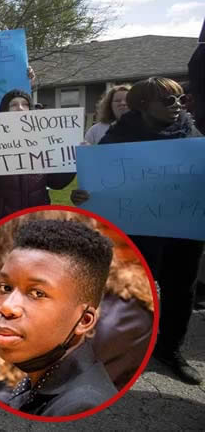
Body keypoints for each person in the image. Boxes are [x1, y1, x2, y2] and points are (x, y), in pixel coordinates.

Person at [72, 77, 203, 385]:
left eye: (182, 99)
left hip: (183, 231)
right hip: (137, 231)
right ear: (144, 105)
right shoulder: (117, 139)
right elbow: (98, 187)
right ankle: (117, 348)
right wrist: (86, 195)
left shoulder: (193, 134)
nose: (178, 107)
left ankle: (169, 350)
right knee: (127, 291)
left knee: (180, 292)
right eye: (168, 101)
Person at [0, 220, 117, 416]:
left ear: (84, 320)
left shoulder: (82, 407)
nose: (7, 307)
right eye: (6, 288)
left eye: (37, 293)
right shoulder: (35, 375)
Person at [0, 90, 75, 232]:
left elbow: (57, 183)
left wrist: (73, 160)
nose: (20, 108)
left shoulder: (44, 141)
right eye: (14, 105)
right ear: (5, 110)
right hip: (0, 221)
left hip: (37, 221)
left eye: (25, 104)